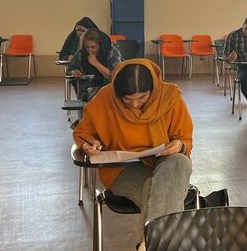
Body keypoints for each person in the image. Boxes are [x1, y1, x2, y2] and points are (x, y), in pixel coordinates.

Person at [73, 59, 193, 233]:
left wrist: (180, 145)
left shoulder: (169, 97)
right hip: (121, 169)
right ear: (117, 92)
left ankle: (149, 247)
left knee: (180, 162)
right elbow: (83, 132)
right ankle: (156, 247)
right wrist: (90, 144)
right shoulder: (106, 98)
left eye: (142, 98)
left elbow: (184, 138)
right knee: (167, 196)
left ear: (153, 88)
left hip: (163, 163)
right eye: (128, 100)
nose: (135, 104)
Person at [67, 28, 122, 101]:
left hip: (108, 91)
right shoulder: (82, 53)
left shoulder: (112, 52)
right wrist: (74, 71)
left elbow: (115, 76)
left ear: (101, 45)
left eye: (93, 47)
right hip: (86, 92)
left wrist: (96, 63)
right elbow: (71, 68)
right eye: (87, 46)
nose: (90, 50)